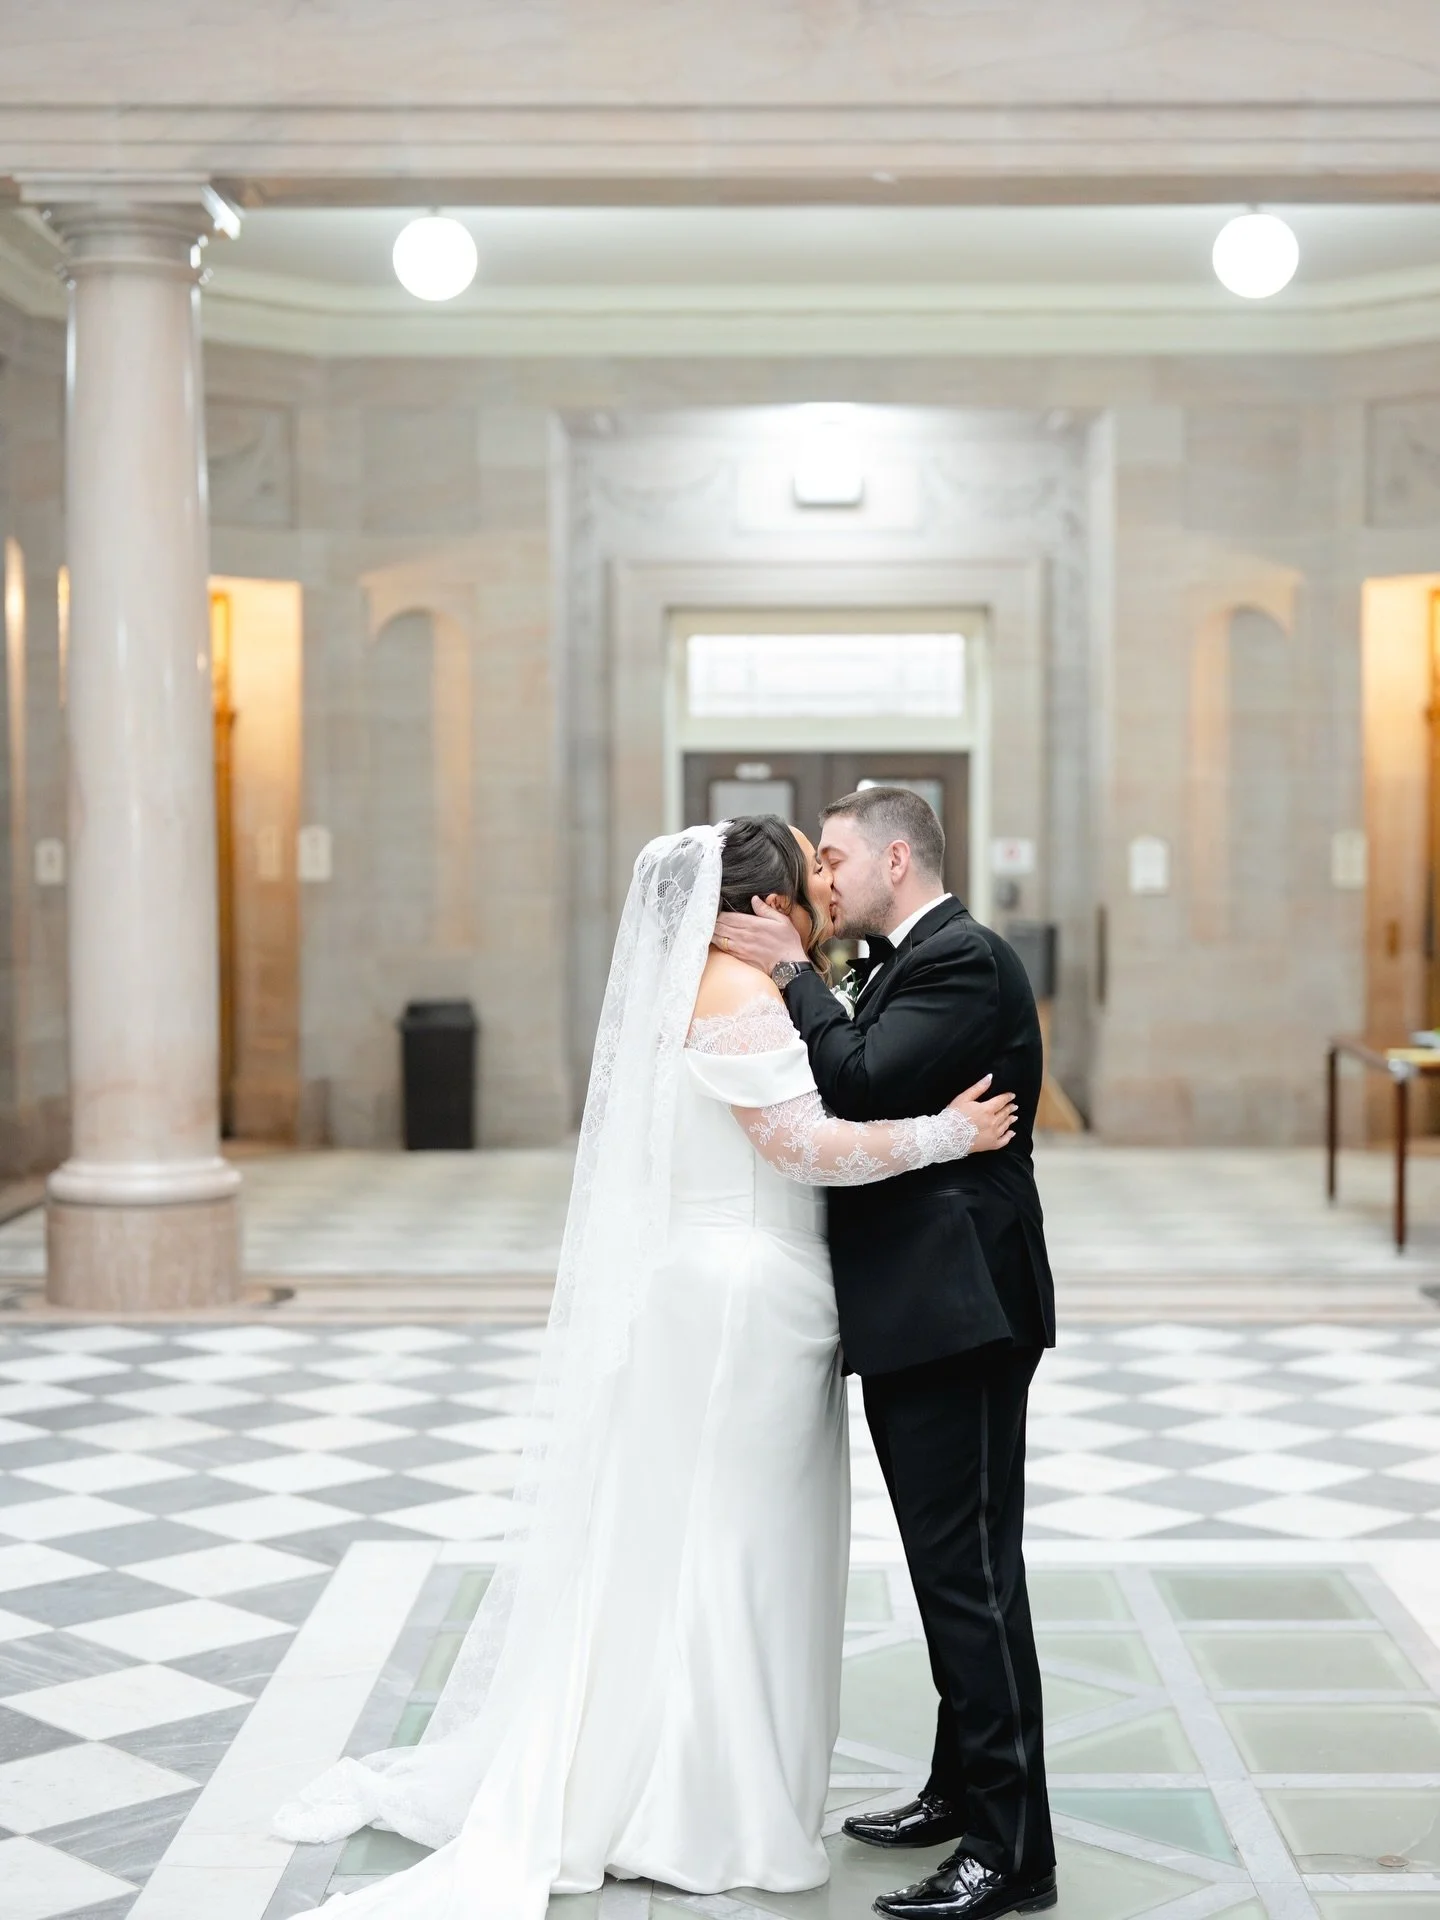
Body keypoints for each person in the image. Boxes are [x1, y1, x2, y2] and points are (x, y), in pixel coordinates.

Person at [272, 815, 1017, 1920]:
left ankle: (682, 1777)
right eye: (810, 872)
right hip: (743, 1301)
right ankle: (701, 1809)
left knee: (702, 1537)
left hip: (725, 1288)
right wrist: (945, 1135)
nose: (825, 890)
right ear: (767, 906)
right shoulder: (741, 992)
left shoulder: (700, 991)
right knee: (734, 1546)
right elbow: (799, 1146)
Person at [715, 786, 1057, 1920]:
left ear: (896, 859)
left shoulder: (963, 961)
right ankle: (960, 1790)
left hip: (961, 1309)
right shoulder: (902, 961)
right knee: (952, 1569)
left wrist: (792, 973)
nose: (822, 878)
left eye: (836, 858)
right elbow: (858, 1083)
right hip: (921, 1309)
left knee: (970, 1579)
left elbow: (857, 1080)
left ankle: (1012, 1854)